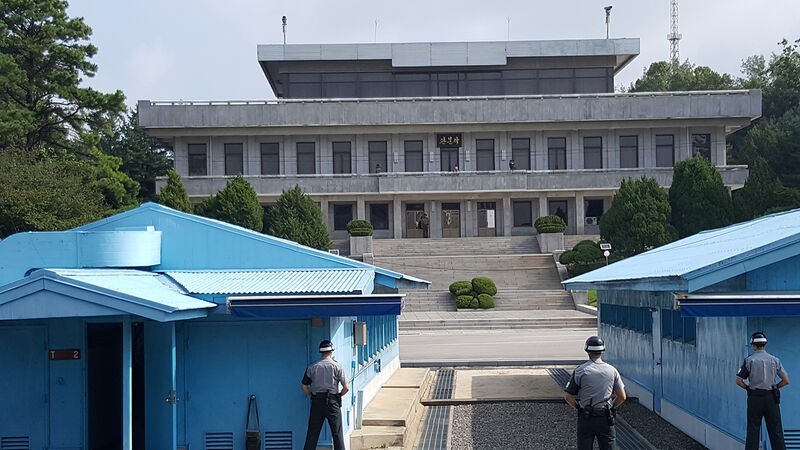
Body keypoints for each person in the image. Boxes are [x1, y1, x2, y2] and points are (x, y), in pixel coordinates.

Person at [564, 336, 627, 450]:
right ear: (602, 351)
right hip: (606, 416)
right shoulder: (612, 370)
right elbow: (622, 396)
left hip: (586, 416)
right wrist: (611, 407)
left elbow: (568, 397)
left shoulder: (580, 371)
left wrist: (579, 408)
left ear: (588, 351)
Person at [736, 331, 790, 450]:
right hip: (771, 398)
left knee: (753, 430)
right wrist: (775, 387)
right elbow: (786, 381)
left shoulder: (749, 360)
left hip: (754, 398)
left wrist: (748, 389)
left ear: (754, 345)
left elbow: (739, 381)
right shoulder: (775, 360)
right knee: (776, 430)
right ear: (765, 344)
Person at [302, 340, 349, 450]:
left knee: (313, 433)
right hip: (333, 401)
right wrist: (338, 396)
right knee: (337, 433)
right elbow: (346, 388)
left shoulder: (312, 367)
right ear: (331, 351)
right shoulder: (337, 366)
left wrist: (311, 395)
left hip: (317, 401)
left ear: (321, 352)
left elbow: (304, 386)